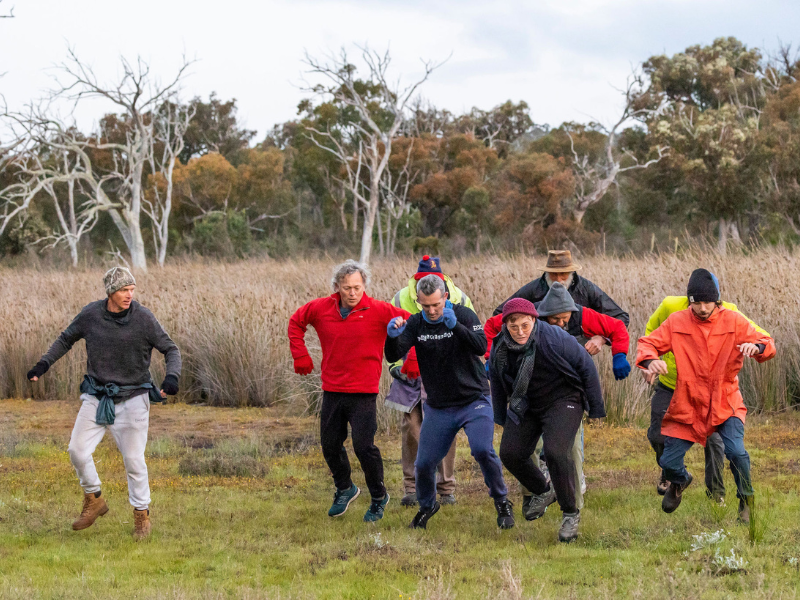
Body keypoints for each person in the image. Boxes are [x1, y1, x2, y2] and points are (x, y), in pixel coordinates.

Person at [26, 267, 181, 540]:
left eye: (132, 289)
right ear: (110, 291)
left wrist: (171, 378)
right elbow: (65, 339)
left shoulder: (143, 318)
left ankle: (141, 517)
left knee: (134, 461)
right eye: (123, 290)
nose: (129, 295)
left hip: (134, 398)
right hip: (97, 396)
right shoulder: (91, 315)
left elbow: (171, 349)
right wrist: (43, 364)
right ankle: (94, 498)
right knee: (77, 450)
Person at [636, 269, 775, 522]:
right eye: (696, 302)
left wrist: (756, 347)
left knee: (736, 453)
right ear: (690, 300)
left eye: (707, 302)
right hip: (688, 403)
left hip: (725, 401)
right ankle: (679, 481)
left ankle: (746, 500)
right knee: (668, 461)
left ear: (717, 300)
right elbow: (648, 342)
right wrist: (650, 361)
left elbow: (767, 341)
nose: (701, 308)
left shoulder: (733, 320)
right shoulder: (677, 321)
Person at [484, 282, 629, 516]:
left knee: (563, 451)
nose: (562, 323)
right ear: (541, 316)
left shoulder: (577, 320)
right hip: (528, 399)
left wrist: (614, 350)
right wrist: (491, 357)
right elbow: (492, 328)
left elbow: (617, 328)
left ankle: (573, 508)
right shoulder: (513, 332)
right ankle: (538, 492)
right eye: (557, 319)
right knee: (515, 451)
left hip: (566, 394)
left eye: (566, 319)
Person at [385, 275, 512, 530]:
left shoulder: (463, 315)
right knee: (424, 464)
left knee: (482, 450)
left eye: (436, 305)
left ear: (445, 297)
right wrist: (391, 336)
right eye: (426, 306)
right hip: (439, 406)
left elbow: (479, 347)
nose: (432, 311)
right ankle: (427, 505)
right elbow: (393, 354)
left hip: (473, 399)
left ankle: (501, 500)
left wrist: (455, 326)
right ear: (419, 302)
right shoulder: (416, 323)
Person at [288, 260, 409, 522]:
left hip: (364, 391)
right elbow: (296, 322)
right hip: (332, 388)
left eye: (357, 287)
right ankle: (345, 488)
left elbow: (414, 325)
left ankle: (378, 497)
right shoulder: (320, 308)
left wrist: (407, 351)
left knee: (364, 447)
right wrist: (300, 354)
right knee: (330, 445)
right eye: (347, 288)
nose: (352, 293)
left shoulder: (380, 310)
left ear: (364, 285)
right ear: (337, 288)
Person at [489, 298, 605, 543]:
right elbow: (498, 382)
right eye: (514, 327)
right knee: (510, 453)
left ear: (534, 320)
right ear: (505, 326)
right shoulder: (500, 348)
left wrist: (596, 408)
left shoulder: (554, 338)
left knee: (555, 451)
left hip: (564, 398)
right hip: (528, 404)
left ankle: (570, 514)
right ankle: (544, 489)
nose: (520, 332)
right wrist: (499, 417)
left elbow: (586, 367)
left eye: (525, 325)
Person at [385, 255, 475, 507]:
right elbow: (390, 335)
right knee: (411, 430)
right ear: (415, 279)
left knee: (445, 431)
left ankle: (446, 490)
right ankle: (412, 489)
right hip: (409, 374)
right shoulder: (400, 298)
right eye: (420, 278)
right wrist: (394, 367)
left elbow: (472, 336)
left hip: (445, 374)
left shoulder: (459, 298)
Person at [493, 250, 629, 327]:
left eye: (563, 274)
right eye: (553, 274)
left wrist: (600, 338)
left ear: (571, 273)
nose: (558, 279)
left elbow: (621, 318)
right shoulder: (533, 289)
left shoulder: (586, 288)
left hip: (579, 355)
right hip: (541, 354)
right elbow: (500, 314)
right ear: (546, 273)